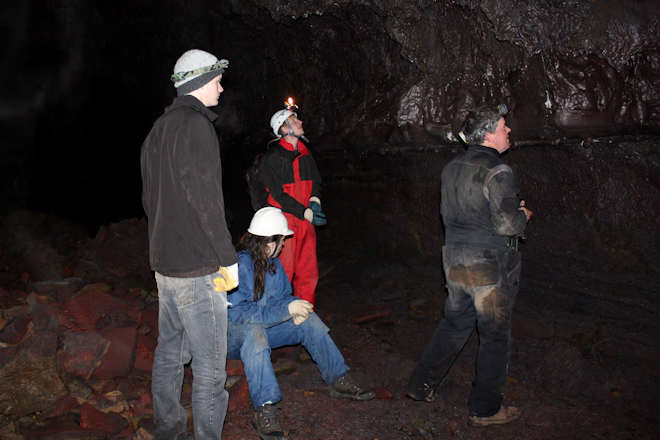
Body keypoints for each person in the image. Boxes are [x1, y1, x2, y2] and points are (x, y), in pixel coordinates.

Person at [406, 104, 533, 428]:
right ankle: (485, 409)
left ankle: (421, 385)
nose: (508, 133)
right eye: (504, 127)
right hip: (488, 266)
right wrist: (524, 217)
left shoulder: (450, 168)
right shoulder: (498, 171)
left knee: (455, 324)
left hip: (454, 261)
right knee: (494, 336)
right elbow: (507, 223)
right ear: (489, 133)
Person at [140, 49, 239, 440]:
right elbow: (207, 201)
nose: (221, 85)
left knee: (169, 352)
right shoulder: (196, 128)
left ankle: (168, 429)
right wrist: (227, 258)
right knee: (211, 369)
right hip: (198, 269)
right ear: (198, 82)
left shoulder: (157, 130)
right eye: (216, 78)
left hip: (165, 265)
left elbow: (150, 201)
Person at [227, 207, 375, 440]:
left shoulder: (273, 265)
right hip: (233, 336)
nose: (284, 244)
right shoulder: (238, 264)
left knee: (308, 321)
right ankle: (265, 408)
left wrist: (295, 307)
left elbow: (285, 297)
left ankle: (338, 378)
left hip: (263, 329)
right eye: (281, 240)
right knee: (254, 332)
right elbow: (240, 315)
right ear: (269, 241)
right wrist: (285, 311)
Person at [260, 104, 326, 305]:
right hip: (283, 223)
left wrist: (314, 200)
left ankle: (305, 316)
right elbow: (278, 195)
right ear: (283, 129)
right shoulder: (271, 159)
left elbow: (316, 180)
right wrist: (303, 211)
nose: (300, 122)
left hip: (306, 221)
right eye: (294, 120)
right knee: (282, 271)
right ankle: (277, 317)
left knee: (308, 271)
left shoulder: (306, 154)